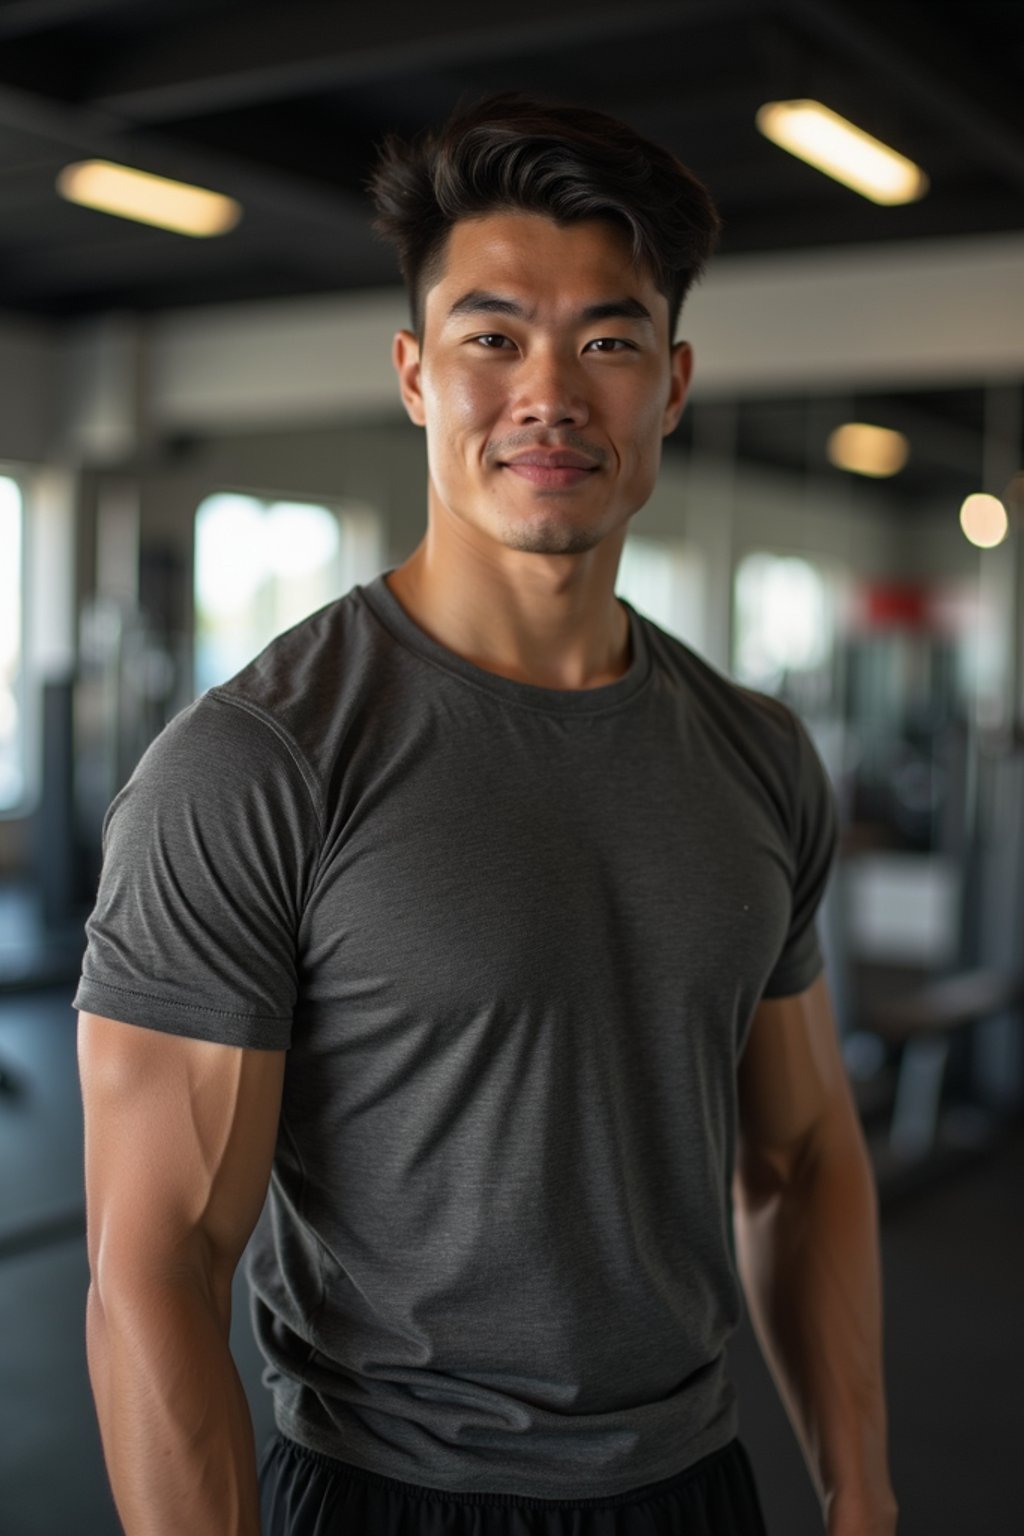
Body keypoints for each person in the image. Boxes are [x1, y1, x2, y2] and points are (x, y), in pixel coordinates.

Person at [75, 94, 898, 1536]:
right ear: (413, 373)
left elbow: (804, 1150)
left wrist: (864, 1492)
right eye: (492, 336)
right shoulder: (257, 764)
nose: (552, 395)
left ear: (674, 383)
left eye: (610, 341)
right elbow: (158, 1268)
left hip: (699, 1491)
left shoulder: (758, 752)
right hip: (396, 1497)